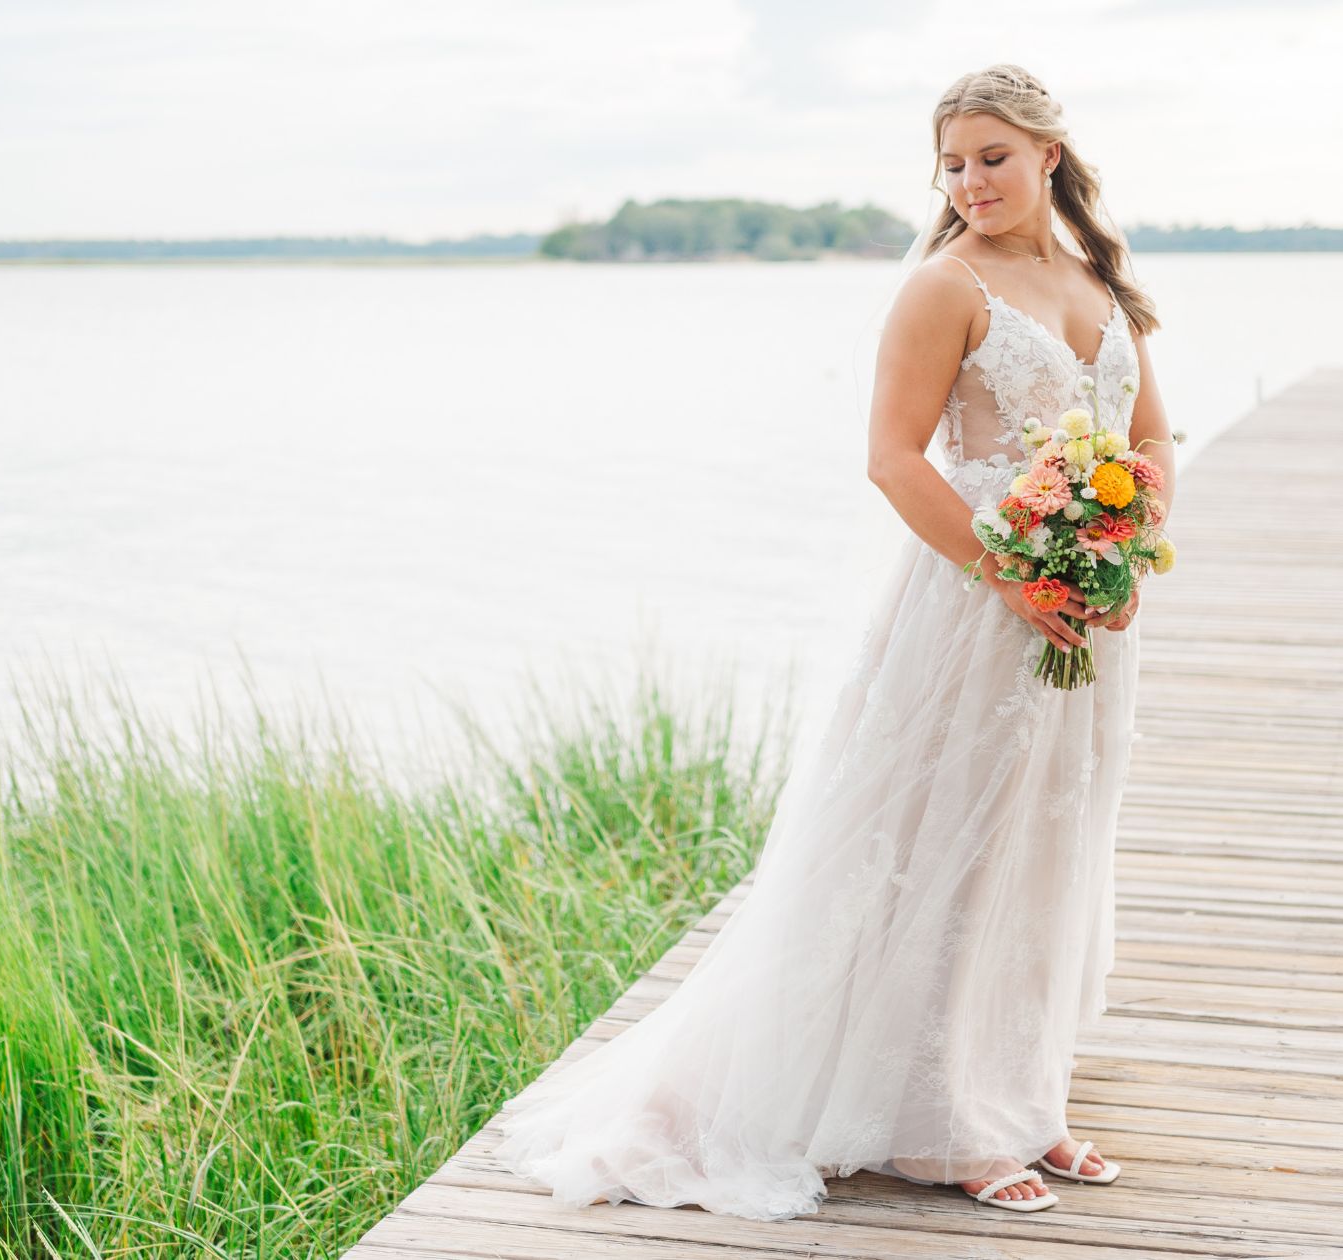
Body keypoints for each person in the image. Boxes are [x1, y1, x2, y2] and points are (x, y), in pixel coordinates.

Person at [492, 61, 1180, 1222]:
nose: (968, 183)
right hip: (975, 601)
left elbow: (1150, 438)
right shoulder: (942, 287)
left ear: (1047, 155)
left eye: (991, 158)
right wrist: (1012, 574)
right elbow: (892, 460)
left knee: (1050, 845)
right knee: (953, 848)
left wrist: (1129, 555)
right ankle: (943, 1126)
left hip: (1086, 609)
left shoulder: (1099, 283)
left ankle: (1025, 1101)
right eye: (951, 164)